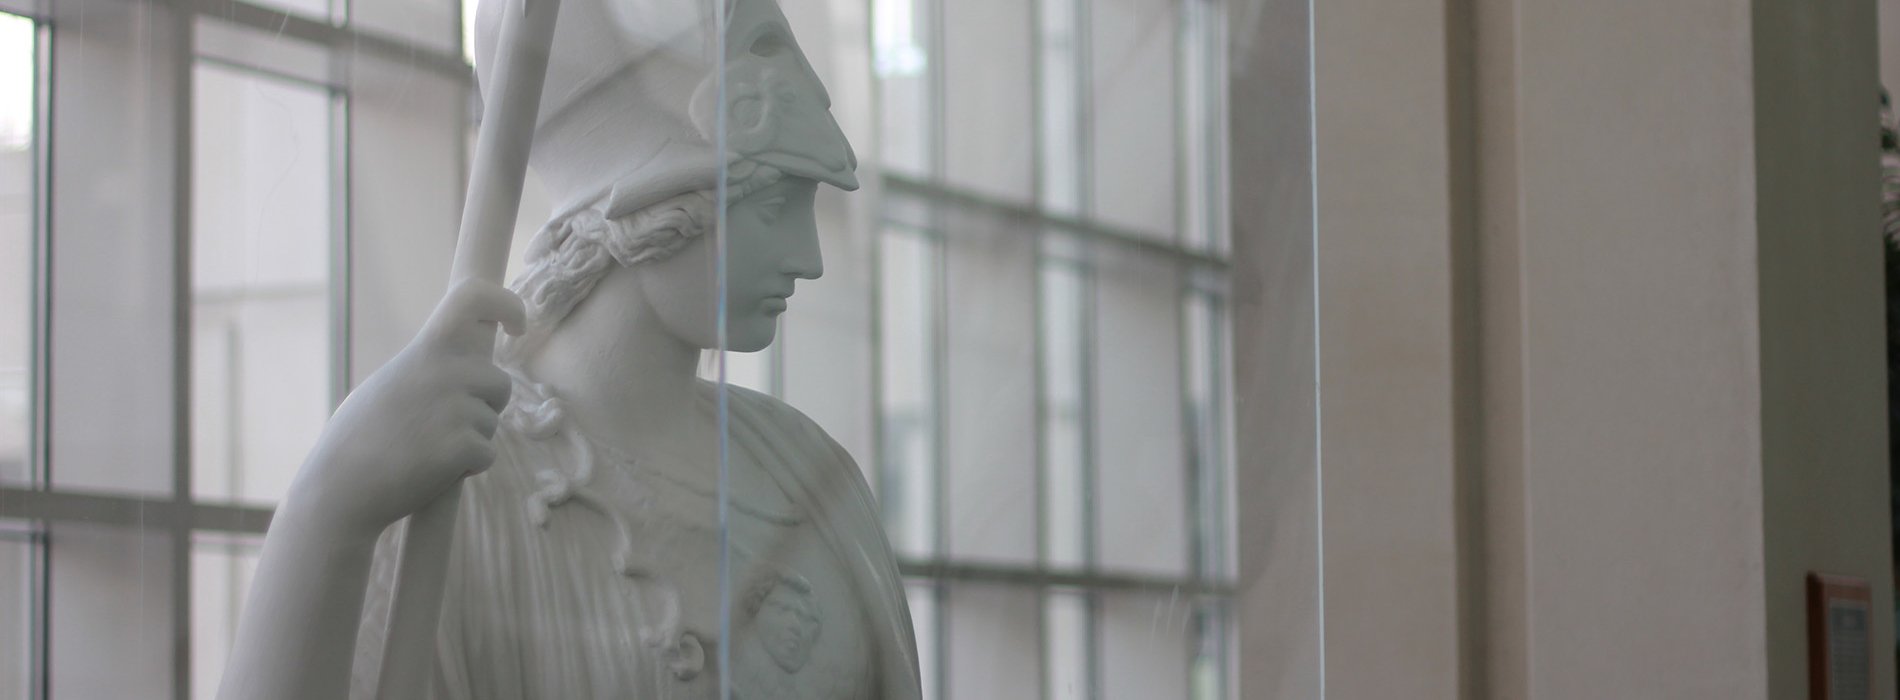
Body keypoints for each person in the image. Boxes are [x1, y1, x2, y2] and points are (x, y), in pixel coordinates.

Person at [215, 0, 920, 697]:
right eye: (773, 208)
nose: (810, 258)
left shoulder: (810, 471)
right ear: (655, 210)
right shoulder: (454, 486)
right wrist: (328, 509)